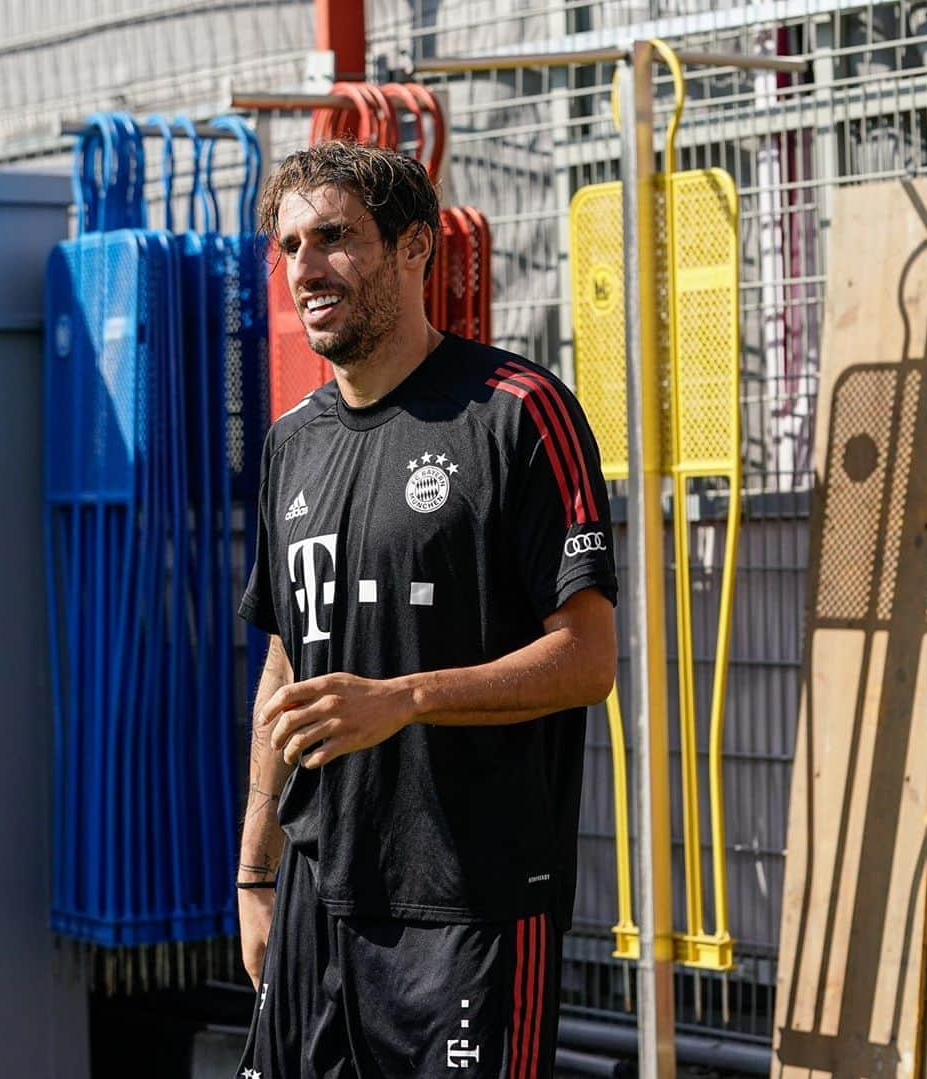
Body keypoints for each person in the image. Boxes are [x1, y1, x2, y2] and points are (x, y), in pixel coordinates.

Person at [235, 140, 617, 1079]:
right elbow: (287, 666)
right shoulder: (291, 443)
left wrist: (403, 697)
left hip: (469, 910)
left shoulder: (519, 413)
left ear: (415, 247)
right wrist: (256, 868)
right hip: (317, 901)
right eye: (288, 246)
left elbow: (586, 658)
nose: (305, 268)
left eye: (334, 238)